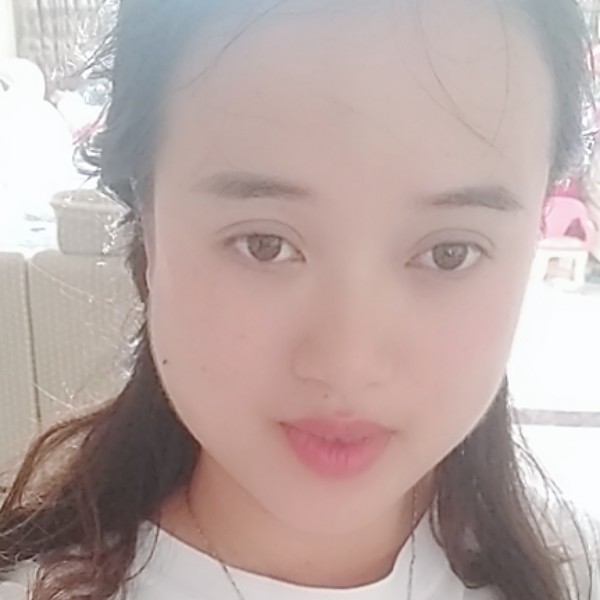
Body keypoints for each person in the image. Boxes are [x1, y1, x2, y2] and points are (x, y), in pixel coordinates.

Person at [0, 0, 598, 598]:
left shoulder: (575, 568)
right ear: (148, 221)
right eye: (265, 245)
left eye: (450, 253)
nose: (348, 365)